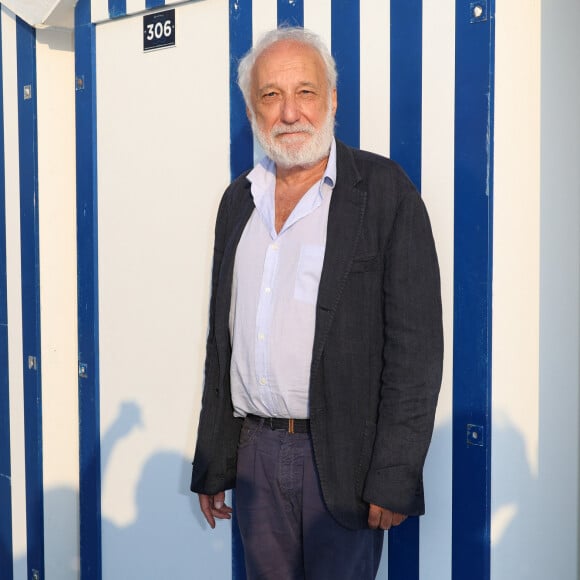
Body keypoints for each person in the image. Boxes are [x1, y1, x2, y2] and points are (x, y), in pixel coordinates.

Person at [190, 26, 443, 580]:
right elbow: (222, 341)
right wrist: (214, 459)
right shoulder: (239, 202)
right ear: (252, 109)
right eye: (270, 95)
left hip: (343, 459)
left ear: (332, 99)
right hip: (255, 453)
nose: (289, 113)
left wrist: (394, 474)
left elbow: (416, 349)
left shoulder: (383, 192)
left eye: (305, 92)